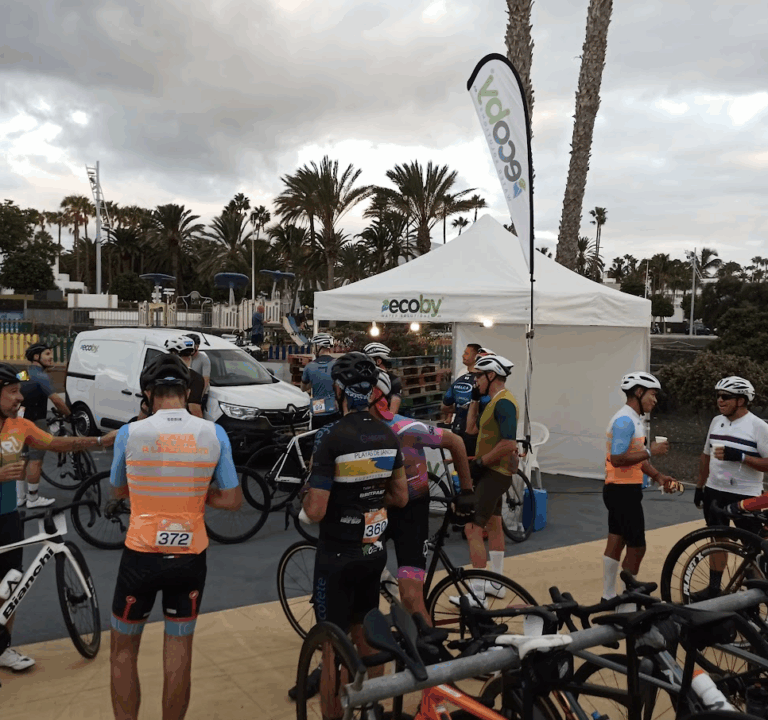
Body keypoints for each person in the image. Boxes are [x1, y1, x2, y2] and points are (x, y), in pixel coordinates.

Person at [109, 353, 242, 720]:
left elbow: (118, 490)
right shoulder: (214, 433)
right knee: (179, 649)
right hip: (190, 556)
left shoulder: (130, 433)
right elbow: (232, 500)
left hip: (141, 555)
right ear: (187, 392)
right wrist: (198, 495)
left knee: (123, 651)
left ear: (148, 394)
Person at [302, 352, 408, 720]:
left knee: (332, 646)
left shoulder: (330, 436)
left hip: (336, 554)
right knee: (368, 635)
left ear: (338, 391)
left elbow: (315, 510)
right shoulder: (387, 434)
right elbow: (401, 496)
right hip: (373, 552)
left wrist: (308, 495)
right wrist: (369, 499)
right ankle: (369, 710)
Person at [0, 362, 116, 672]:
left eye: (19, 391)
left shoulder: (20, 426)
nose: (20, 397)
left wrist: (99, 441)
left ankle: (2, 648)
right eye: (12, 392)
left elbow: (55, 443)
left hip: (7, 517)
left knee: (10, 585)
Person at [369, 370, 472, 623]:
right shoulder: (355, 432)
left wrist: (467, 492)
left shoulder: (406, 428)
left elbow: (456, 442)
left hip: (411, 513)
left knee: (412, 598)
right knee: (362, 579)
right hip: (377, 510)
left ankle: (425, 640)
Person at [691, 376, 768, 600]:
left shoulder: (759, 427)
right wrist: (699, 486)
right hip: (715, 490)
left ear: (741, 401)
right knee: (718, 541)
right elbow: (706, 456)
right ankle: (714, 588)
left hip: (745, 495)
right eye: (718, 396)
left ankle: (757, 594)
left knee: (751, 547)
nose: (720, 400)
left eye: (725, 396)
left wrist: (741, 456)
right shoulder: (716, 421)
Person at [452, 354, 520, 606]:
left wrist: (480, 463)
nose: (475, 380)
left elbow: (509, 443)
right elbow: (471, 430)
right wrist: (473, 400)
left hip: (494, 473)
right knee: (494, 525)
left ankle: (477, 593)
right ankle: (496, 584)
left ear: (491, 376)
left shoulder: (504, 403)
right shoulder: (492, 402)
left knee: (472, 528)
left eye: (479, 376)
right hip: (493, 472)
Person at [602, 371, 676, 601]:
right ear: (638, 392)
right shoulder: (625, 421)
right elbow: (618, 458)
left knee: (616, 540)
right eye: (652, 394)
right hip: (622, 490)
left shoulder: (633, 419)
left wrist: (658, 476)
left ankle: (609, 595)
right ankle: (628, 597)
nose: (655, 400)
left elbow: (636, 457)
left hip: (621, 489)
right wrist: (650, 451)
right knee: (637, 546)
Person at [18, 342, 71, 508]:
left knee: (22, 458)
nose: (51, 357)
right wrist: (69, 415)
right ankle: (33, 499)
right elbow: (56, 400)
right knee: (36, 460)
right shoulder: (41, 376)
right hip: (36, 421)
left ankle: (19, 497)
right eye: (47, 354)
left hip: (19, 420)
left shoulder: (24, 373)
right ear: (36, 357)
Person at [440, 343, 491, 457]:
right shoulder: (484, 382)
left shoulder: (460, 381)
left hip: (467, 433)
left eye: (467, 353)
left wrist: (460, 407)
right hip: (469, 433)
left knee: (461, 464)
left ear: (476, 357)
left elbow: (445, 406)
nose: (463, 356)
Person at [137, 336, 205, 420]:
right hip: (181, 424)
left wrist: (138, 425)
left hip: (156, 421)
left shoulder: (158, 373)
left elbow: (146, 407)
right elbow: (195, 411)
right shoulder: (196, 378)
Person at [301, 333, 340, 430]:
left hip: (318, 410)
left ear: (318, 346)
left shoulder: (309, 367)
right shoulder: (338, 365)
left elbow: (303, 388)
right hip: (334, 409)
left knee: (317, 435)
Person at [363, 342, 402, 415]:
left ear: (378, 361)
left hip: (384, 418)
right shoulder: (364, 378)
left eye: (368, 360)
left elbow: (393, 411)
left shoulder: (394, 380)